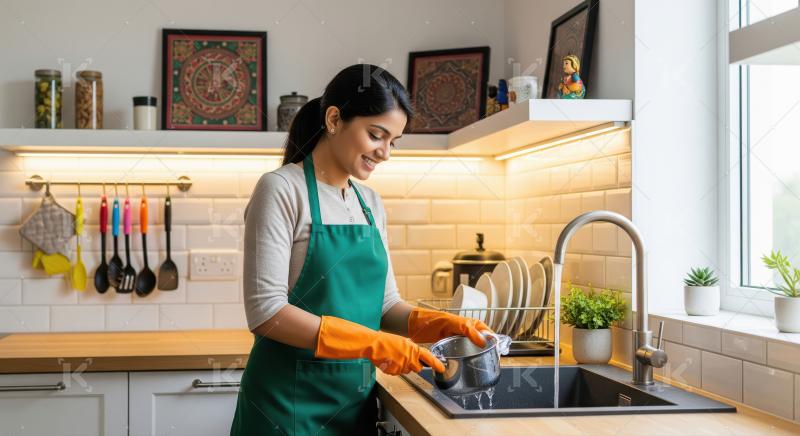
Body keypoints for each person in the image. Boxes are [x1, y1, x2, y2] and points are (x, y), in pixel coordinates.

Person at [230, 64, 491, 435]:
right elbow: (266, 312)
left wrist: (445, 325)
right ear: (334, 119)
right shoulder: (281, 189)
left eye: (393, 141)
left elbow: (386, 306)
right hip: (285, 406)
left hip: (354, 404)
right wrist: (374, 345)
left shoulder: (369, 202)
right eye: (376, 135)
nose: (385, 152)